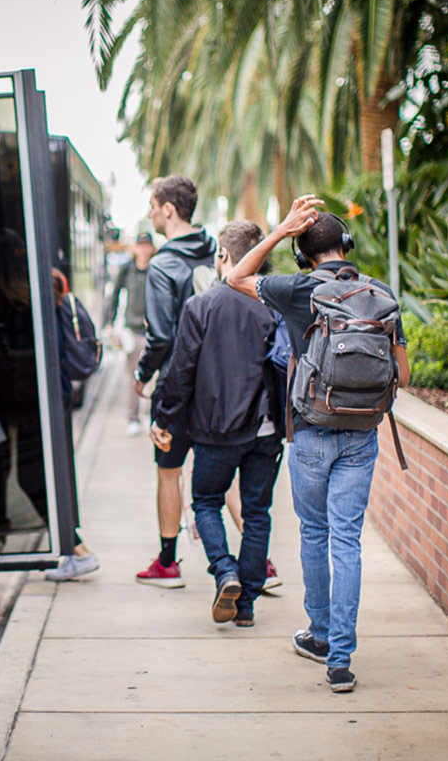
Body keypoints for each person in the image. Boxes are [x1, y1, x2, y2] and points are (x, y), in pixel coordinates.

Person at [228, 198, 411, 694]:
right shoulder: (379, 292)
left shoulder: (297, 287)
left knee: (314, 532)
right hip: (361, 434)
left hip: (309, 429)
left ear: (301, 254)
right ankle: (342, 661)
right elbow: (405, 375)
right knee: (347, 539)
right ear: (345, 246)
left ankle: (321, 636)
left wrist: (280, 230)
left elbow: (235, 277)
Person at [150, 221, 282, 626]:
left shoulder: (201, 306)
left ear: (224, 255)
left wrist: (165, 418)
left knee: (206, 501)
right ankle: (246, 608)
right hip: (265, 429)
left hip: (215, 428)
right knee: (257, 513)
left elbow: (181, 371)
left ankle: (224, 571)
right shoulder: (275, 306)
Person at [132, 176, 216, 587]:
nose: (150, 213)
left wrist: (142, 373)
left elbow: (161, 336)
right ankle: (262, 562)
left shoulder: (163, 264)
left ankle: (168, 563)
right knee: (224, 470)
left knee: (169, 470)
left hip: (178, 385)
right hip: (222, 381)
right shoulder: (218, 252)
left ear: (169, 209)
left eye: (153, 204)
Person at [45, 268, 101, 581]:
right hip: (62, 399)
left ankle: (77, 550)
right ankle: (72, 550)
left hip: (54, 400)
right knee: (59, 475)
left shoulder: (48, 312)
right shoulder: (61, 304)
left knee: (46, 479)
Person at [104, 232, 157, 435]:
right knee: (133, 377)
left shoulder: (157, 269)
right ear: (135, 248)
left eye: (147, 245)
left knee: (152, 378)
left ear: (152, 248)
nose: (143, 249)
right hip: (132, 331)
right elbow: (114, 295)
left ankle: (148, 415)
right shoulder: (127, 270)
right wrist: (109, 322)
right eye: (140, 245)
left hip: (153, 332)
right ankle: (132, 417)